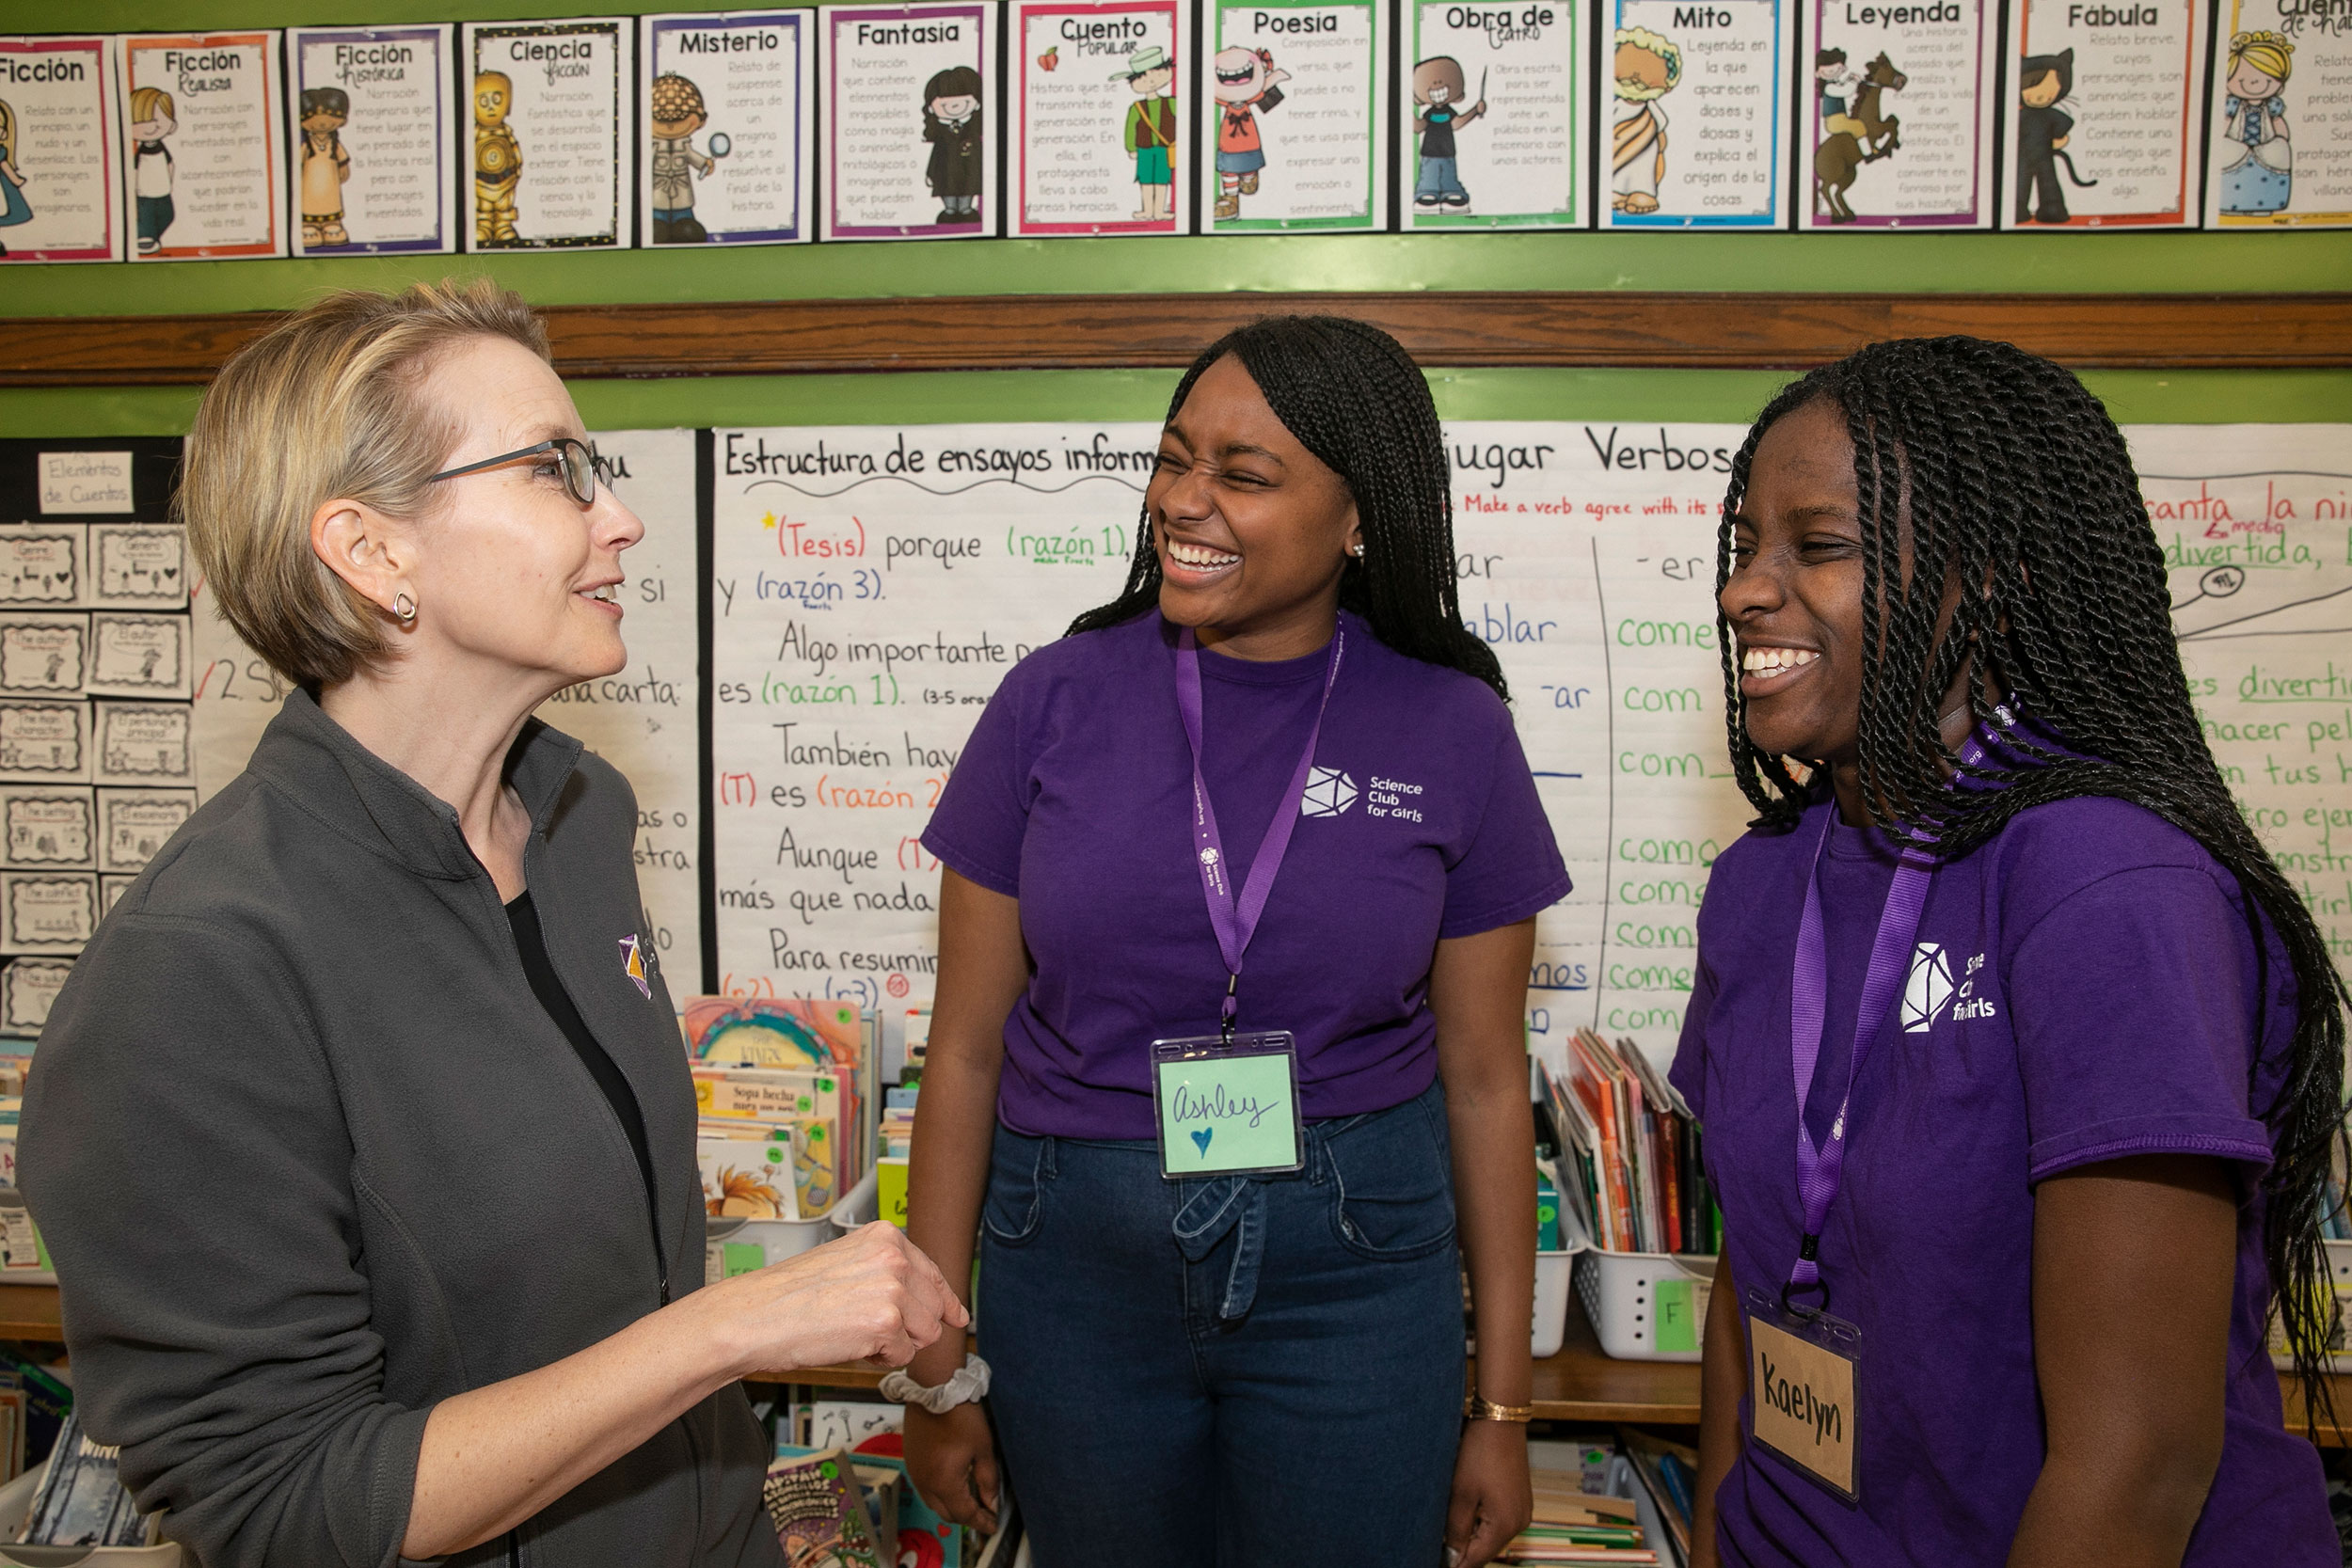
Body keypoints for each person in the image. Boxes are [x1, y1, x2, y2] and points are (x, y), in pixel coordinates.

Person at [17, 280, 964, 1568]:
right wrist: (731, 1329)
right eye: (555, 471)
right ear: (371, 550)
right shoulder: (196, 971)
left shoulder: (576, 817)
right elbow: (281, 1502)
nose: (621, 520)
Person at [898, 315, 1569, 1568]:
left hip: (1357, 1276)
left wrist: (1502, 1406)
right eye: (1172, 458)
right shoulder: (1051, 696)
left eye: (1244, 474)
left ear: (1359, 515)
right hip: (1072, 1273)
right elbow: (967, 1050)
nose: (1186, 502)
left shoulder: (1454, 728)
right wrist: (937, 1371)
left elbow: (1484, 1078)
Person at [1678, 336, 2342, 1566]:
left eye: (1815, 546)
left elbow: (2137, 1458)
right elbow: (1754, 1276)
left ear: (1986, 581)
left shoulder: (2104, 879)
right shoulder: (1759, 883)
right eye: (1744, 548)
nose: (1743, 592)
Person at [2218, 31, 2295, 218]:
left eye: (2268, 79)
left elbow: (2279, 126)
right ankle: (2231, 204)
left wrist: (2280, 141)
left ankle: (2263, 204)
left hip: (2264, 151)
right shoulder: (2233, 106)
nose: (2254, 83)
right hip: (2237, 151)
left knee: (2276, 155)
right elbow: (2226, 123)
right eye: (2242, 78)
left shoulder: (2272, 106)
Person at [921, 67, 982, 226]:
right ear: (931, 107)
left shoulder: (973, 132)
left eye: (965, 101)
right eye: (944, 103)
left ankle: (965, 210)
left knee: (966, 191)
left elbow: (980, 154)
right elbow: (936, 155)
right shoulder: (941, 134)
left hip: (967, 169)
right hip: (946, 172)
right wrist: (930, 173)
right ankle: (949, 211)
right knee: (948, 192)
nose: (954, 106)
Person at [298, 87, 353, 249]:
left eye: (329, 117)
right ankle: (309, 226)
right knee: (309, 202)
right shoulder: (306, 145)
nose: (322, 123)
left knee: (330, 201)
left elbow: (342, 160)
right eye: (315, 117)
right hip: (309, 183)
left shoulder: (334, 144)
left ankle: (332, 225)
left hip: (330, 182)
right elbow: (299, 163)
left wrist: (343, 169)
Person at [127, 86, 175, 255]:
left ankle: (151, 236)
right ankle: (145, 238)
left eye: (157, 120)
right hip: (144, 194)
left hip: (163, 191)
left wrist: (169, 183)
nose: (151, 126)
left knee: (168, 215)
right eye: (142, 121)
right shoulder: (140, 152)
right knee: (145, 218)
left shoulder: (162, 148)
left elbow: (170, 165)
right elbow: (133, 170)